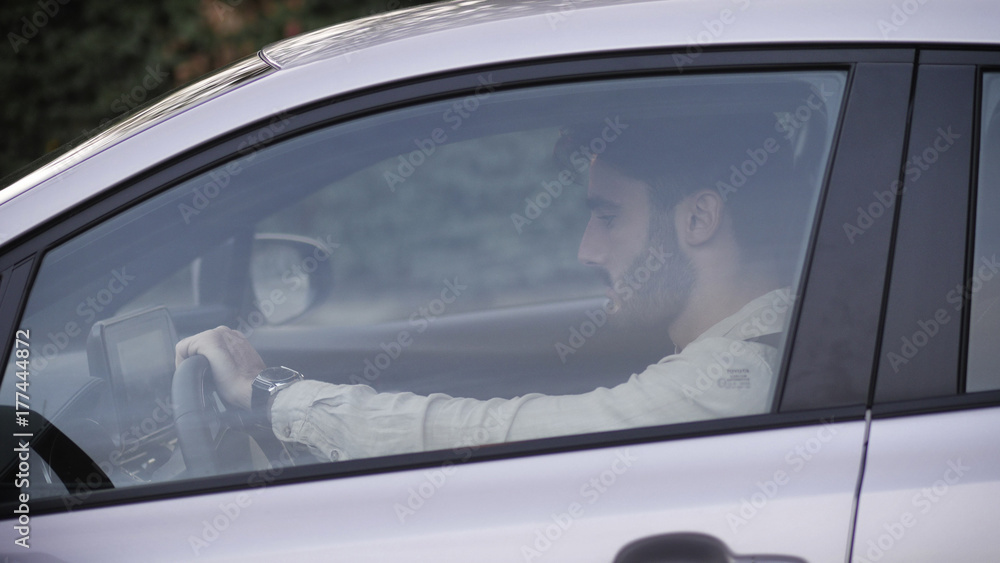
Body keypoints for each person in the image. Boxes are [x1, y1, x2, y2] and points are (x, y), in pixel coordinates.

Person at [175, 112, 808, 463]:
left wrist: (273, 395)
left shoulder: (734, 382)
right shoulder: (750, 359)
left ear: (698, 218)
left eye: (608, 217)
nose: (586, 250)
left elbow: (499, 435)